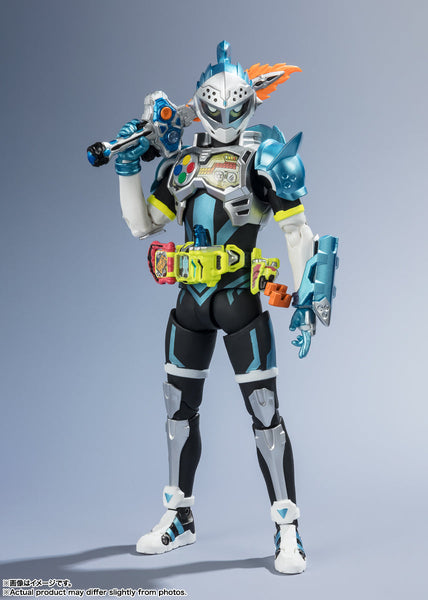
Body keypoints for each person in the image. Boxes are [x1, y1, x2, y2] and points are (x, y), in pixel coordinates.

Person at [111, 41, 337, 574]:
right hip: (190, 303)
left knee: (265, 413)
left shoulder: (265, 160)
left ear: (249, 105)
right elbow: (143, 225)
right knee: (177, 410)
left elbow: (297, 231)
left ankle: (288, 528)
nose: (226, 119)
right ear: (200, 106)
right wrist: (127, 168)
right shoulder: (181, 164)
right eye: (216, 109)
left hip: (240, 301)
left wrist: (306, 299)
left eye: (235, 108)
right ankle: (179, 517)